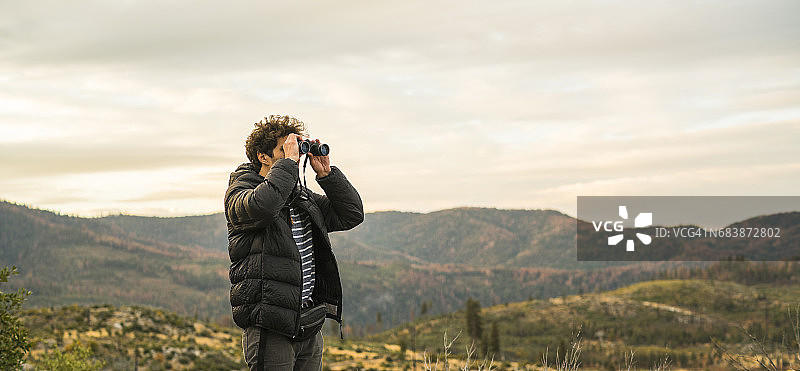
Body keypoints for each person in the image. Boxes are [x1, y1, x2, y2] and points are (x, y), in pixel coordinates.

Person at [225, 115, 364, 370]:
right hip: (271, 327)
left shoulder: (299, 196)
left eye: (296, 149)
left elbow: (351, 215)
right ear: (262, 157)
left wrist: (326, 174)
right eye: (284, 149)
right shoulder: (241, 192)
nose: (294, 155)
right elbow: (264, 206)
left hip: (308, 324)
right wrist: (289, 164)